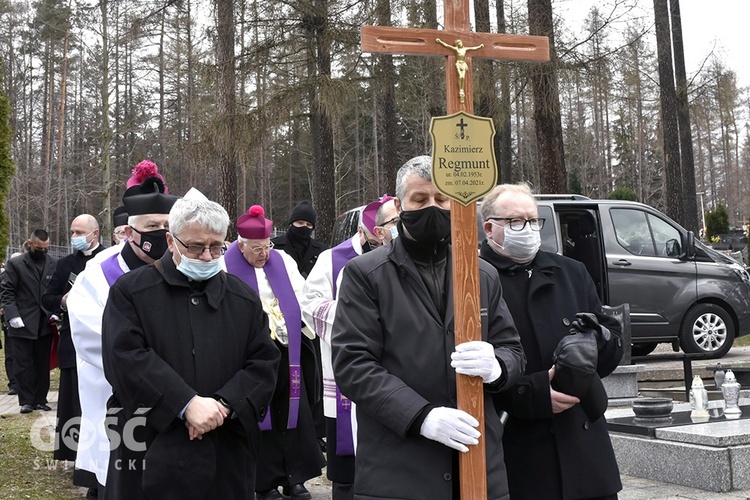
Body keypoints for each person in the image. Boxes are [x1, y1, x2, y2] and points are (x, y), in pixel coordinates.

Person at [330, 156, 526, 499]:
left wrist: (498, 367)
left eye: (441, 199)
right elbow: (354, 364)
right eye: (420, 200)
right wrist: (421, 416)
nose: (432, 208)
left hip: (477, 466)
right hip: (400, 468)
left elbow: (512, 349)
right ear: (398, 205)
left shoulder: (481, 274)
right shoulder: (367, 275)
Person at [100, 196, 281, 499]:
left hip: (225, 450)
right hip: (150, 445)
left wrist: (223, 406)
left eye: (217, 246)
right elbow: (125, 359)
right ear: (171, 241)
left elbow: (263, 363)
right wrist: (185, 404)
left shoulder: (243, 298)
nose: (208, 257)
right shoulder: (132, 292)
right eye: (196, 247)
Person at [479, 183, 624, 500]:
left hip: (584, 450)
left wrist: (596, 340)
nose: (528, 229)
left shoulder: (570, 271)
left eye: (533, 220)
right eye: (516, 221)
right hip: (521, 453)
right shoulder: (473, 279)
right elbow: (465, 372)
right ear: (489, 227)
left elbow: (612, 339)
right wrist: (532, 394)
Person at [68, 162, 177, 493]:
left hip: (175, 399)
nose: (161, 233)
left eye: (167, 225)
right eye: (152, 225)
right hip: (117, 398)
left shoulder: (182, 269)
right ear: (129, 232)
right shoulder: (97, 276)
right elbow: (94, 341)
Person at [223, 205, 325, 500]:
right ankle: (263, 483)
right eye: (256, 249)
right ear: (241, 246)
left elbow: (302, 294)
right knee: (259, 416)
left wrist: (293, 321)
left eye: (266, 247)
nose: (263, 254)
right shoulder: (226, 265)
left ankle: (295, 478)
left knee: (293, 413)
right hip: (250, 356)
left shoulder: (283, 260)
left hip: (286, 351)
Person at [300, 195, 398, 500]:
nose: (381, 237)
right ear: (366, 231)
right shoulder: (332, 258)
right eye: (378, 231)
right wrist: (354, 319)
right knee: (346, 471)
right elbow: (309, 303)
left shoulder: (403, 256)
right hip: (347, 374)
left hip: (394, 373)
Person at [41, 214, 105, 487]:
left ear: (95, 233)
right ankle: (74, 453)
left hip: (103, 342)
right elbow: (48, 298)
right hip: (72, 342)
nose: (74, 236)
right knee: (72, 402)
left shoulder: (107, 260)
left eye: (80, 231)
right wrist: (65, 300)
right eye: (72, 231)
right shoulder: (65, 264)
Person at [0, 229, 57, 414]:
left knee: (42, 363)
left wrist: (55, 311)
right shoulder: (16, 264)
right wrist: (12, 315)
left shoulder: (53, 263)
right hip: (22, 321)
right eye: (39, 248)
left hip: (44, 321)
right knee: (23, 363)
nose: (42, 251)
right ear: (30, 244)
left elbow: (55, 289)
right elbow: (7, 291)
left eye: (46, 248)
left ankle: (40, 399)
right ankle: (26, 400)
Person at [272, 200, 328, 278]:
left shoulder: (321, 250)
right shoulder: (274, 247)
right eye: (300, 223)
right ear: (291, 223)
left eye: (308, 224)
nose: (304, 227)